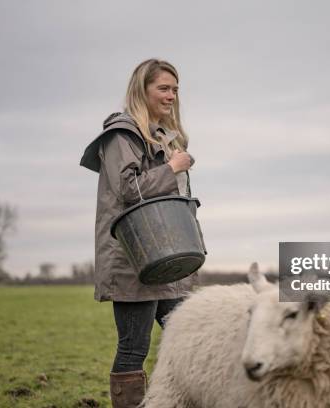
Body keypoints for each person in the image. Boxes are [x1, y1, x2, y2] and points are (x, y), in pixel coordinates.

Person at [80, 59, 198, 408]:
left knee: (190, 342)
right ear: (141, 90)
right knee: (134, 348)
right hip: (134, 264)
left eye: (175, 89)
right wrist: (172, 167)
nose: (172, 96)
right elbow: (128, 190)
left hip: (167, 260)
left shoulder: (164, 136)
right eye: (163, 88)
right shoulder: (122, 135)